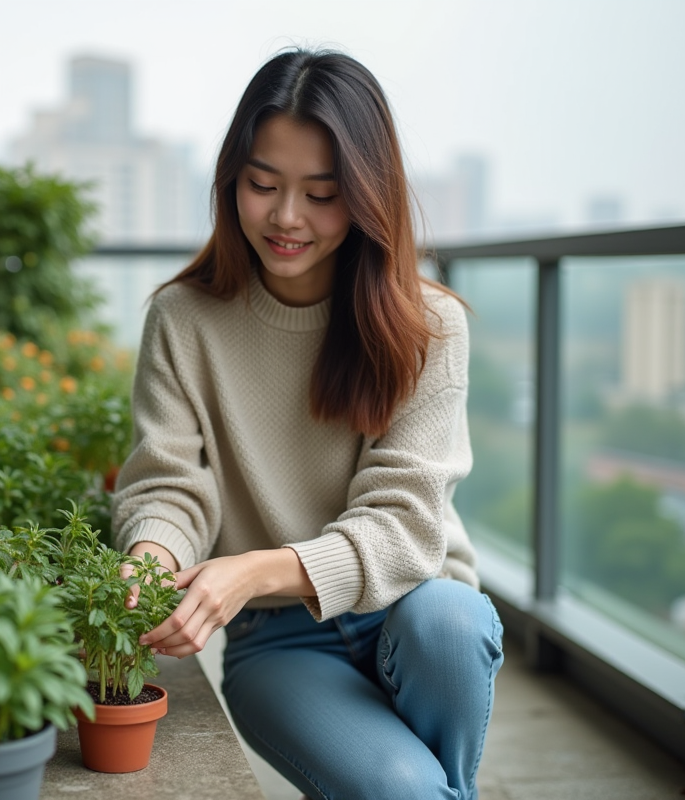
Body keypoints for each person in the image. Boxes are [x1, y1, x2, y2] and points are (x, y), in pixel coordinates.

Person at [112, 48, 503, 800]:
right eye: (263, 184)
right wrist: (149, 564)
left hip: (415, 613)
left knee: (450, 623)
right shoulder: (183, 319)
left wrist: (254, 567)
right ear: (233, 181)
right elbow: (169, 484)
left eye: (322, 194)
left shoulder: (430, 326)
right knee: (408, 790)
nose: (287, 217)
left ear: (367, 196)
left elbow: (404, 523)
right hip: (280, 641)